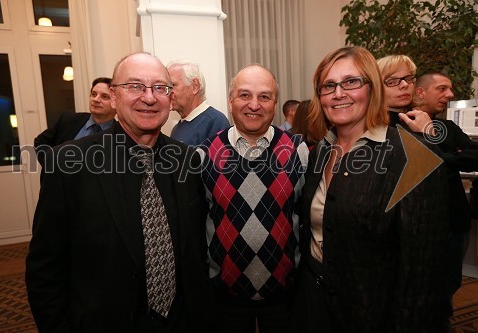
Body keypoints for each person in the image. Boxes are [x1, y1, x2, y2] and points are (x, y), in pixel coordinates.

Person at [26, 52, 216, 333]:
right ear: (114, 97)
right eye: (135, 86)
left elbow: (196, 247)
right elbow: (46, 268)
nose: (149, 98)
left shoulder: (187, 159)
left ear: (170, 98)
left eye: (160, 88)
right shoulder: (67, 163)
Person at [293, 46, 449, 333]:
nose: (338, 93)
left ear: (372, 88)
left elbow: (423, 272)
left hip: (374, 314)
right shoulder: (321, 153)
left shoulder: (413, 157)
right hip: (315, 304)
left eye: (351, 81)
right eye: (329, 85)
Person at [196, 64, 309, 333]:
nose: (254, 105)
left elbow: (306, 217)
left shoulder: (299, 151)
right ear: (231, 100)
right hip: (225, 296)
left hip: (285, 294)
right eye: (245, 95)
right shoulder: (204, 154)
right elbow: (199, 221)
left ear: (275, 102)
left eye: (265, 96)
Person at [413, 72, 478, 322]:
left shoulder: (447, 127)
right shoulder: (399, 126)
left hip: (454, 222)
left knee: (448, 287)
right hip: (420, 225)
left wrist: (442, 158)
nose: (450, 95)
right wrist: (453, 156)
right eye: (442, 89)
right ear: (420, 93)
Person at [34, 77, 116, 161]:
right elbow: (40, 142)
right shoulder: (68, 120)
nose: (96, 99)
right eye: (93, 94)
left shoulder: (120, 134)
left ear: (116, 103)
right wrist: (52, 167)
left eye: (105, 96)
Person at [167, 60, 230, 146]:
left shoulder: (215, 122)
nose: (167, 92)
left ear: (195, 86)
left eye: (173, 85)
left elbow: (219, 158)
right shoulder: (176, 129)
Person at [377, 55, 433, 133]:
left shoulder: (425, 121)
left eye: (408, 79)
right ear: (376, 89)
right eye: (392, 82)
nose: (405, 84)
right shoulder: (368, 128)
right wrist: (426, 135)